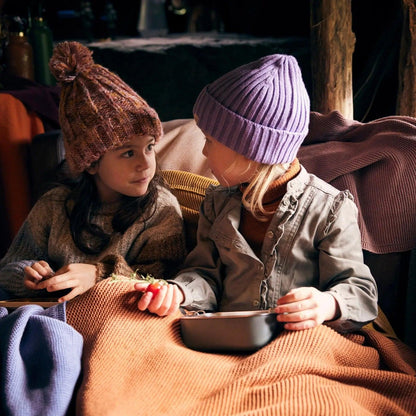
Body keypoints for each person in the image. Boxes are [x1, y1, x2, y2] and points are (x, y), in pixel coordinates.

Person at [135, 54, 378, 333]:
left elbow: (361, 292)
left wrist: (327, 304)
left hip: (298, 340)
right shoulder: (216, 204)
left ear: (251, 149)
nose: (203, 151)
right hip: (228, 338)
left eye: (210, 140)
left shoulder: (329, 209)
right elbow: (205, 274)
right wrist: (180, 292)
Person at [0, 41, 187, 303]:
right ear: (91, 163)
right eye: (128, 153)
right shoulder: (53, 206)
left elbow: (162, 281)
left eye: (150, 147)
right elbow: (7, 270)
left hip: (118, 321)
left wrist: (100, 274)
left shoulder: (160, 209)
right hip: (52, 315)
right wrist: (26, 274)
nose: (145, 163)